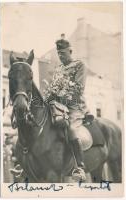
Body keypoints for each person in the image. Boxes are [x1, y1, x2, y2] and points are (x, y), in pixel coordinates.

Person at [44, 34, 94, 180]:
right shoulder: (58, 69)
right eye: (58, 53)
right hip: (57, 106)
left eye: (63, 53)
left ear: (70, 51)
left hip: (74, 107)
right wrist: (49, 95)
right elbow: (53, 87)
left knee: (70, 128)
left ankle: (80, 167)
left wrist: (59, 95)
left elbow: (78, 89)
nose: (61, 56)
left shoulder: (80, 65)